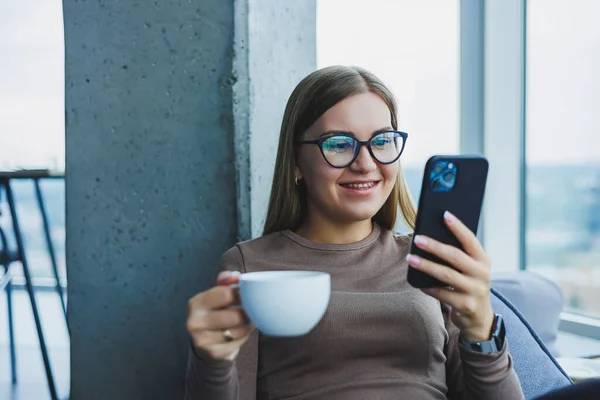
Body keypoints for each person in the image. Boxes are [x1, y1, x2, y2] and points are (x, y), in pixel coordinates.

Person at [185, 65, 525, 399]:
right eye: (338, 144)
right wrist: (212, 361)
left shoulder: (427, 259)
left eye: (382, 141)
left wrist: (482, 329)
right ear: (295, 163)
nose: (365, 163)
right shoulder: (251, 267)